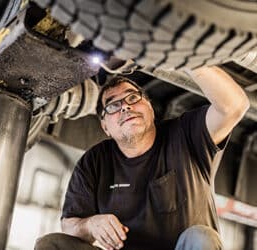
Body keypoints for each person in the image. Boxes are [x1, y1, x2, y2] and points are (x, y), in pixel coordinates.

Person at [35, 66, 249, 250]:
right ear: (105, 127)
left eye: (132, 97)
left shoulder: (184, 136)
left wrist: (185, 57)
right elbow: (70, 225)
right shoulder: (94, 161)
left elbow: (234, 106)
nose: (126, 107)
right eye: (113, 105)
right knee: (51, 245)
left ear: (150, 108)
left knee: (201, 237)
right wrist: (91, 224)